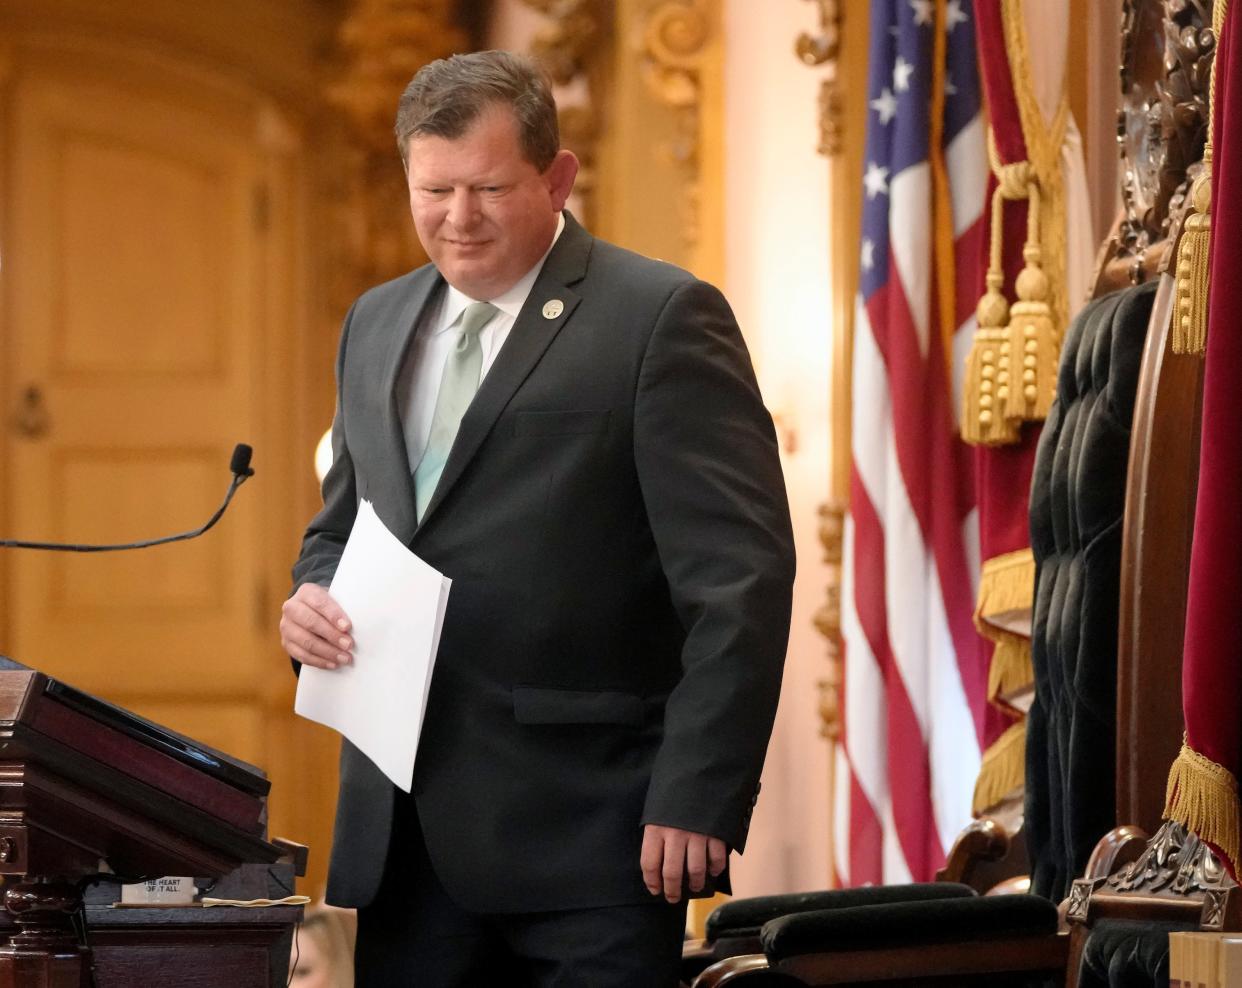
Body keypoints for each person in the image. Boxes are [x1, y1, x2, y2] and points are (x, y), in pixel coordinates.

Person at [280, 49, 794, 986]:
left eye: (489, 188)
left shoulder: (662, 318)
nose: (458, 219)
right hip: (401, 842)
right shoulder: (374, 321)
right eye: (434, 190)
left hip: (592, 839)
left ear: (558, 178)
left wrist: (699, 793)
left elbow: (739, 585)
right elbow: (345, 524)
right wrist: (311, 596)